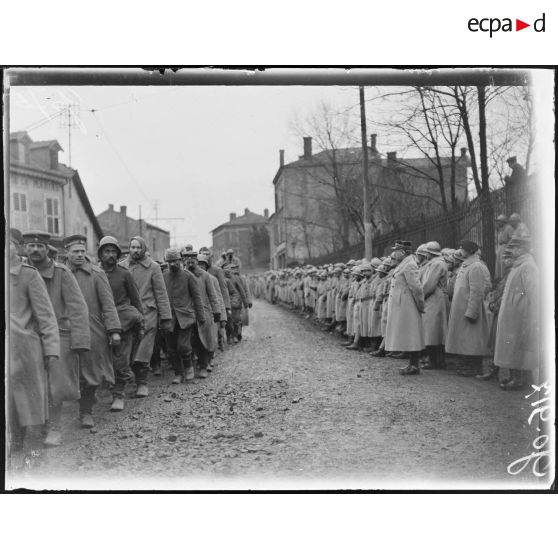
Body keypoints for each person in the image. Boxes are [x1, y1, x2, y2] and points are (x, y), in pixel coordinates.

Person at [23, 231, 90, 447]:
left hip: (60, 334)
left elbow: (78, 308)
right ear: (25, 249)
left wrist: (79, 341)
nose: (35, 250)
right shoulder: (22, 272)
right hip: (29, 334)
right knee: (32, 382)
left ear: (47, 249)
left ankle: (54, 427)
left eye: (39, 246)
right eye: (31, 246)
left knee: (56, 384)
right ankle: (36, 425)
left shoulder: (61, 273)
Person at [8, 229, 60, 456]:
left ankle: (18, 442)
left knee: (19, 398)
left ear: (16, 247)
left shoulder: (28, 275)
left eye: (7, 244)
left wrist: (50, 350)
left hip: (23, 348)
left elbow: (46, 316)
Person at [64, 234, 121, 428]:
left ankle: (86, 411)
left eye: (82, 251)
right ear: (67, 253)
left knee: (92, 372)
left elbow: (108, 305)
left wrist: (114, 330)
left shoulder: (97, 274)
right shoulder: (61, 273)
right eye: (75, 252)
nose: (80, 255)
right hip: (65, 330)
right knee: (67, 372)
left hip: (93, 330)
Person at [120, 236, 172, 397]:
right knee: (128, 348)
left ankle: (142, 383)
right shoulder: (121, 266)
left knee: (143, 349)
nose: (135, 250)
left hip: (148, 313)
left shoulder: (153, 267)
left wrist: (165, 317)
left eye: (138, 247)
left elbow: (161, 293)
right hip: (127, 315)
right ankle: (128, 380)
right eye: (132, 247)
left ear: (143, 249)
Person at [98, 236, 145, 411]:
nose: (110, 255)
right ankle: (104, 389)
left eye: (113, 252)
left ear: (118, 254)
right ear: (100, 254)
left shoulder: (125, 274)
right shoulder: (95, 273)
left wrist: (141, 323)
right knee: (104, 360)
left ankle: (119, 395)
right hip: (101, 322)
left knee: (121, 361)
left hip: (124, 322)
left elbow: (136, 300)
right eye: (106, 252)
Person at [494, 235, 539, 390]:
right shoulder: (518, 265)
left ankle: (520, 380)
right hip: (512, 314)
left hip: (520, 315)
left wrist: (527, 311)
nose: (511, 250)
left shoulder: (528, 266)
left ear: (522, 249)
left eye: (514, 248)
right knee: (511, 347)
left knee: (517, 347)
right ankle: (515, 377)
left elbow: (532, 292)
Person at [445, 240, 492, 377]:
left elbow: (477, 291)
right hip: (461, 308)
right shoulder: (467, 265)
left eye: (463, 248)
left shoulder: (475, 266)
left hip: (469, 308)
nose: (460, 250)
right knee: (466, 339)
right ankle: (468, 366)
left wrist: (472, 311)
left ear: (470, 251)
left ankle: (475, 368)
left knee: (473, 341)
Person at [162, 248, 205, 383]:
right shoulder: (163, 277)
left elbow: (197, 298)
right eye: (170, 262)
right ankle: (178, 374)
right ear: (167, 262)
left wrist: (201, 316)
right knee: (171, 348)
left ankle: (188, 368)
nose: (173, 264)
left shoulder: (188, 276)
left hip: (185, 317)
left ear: (180, 261)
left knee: (183, 346)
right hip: (169, 318)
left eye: (175, 261)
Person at [384, 245, 425, 375]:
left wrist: (420, 305)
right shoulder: (404, 263)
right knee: (408, 335)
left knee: (412, 335)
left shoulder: (410, 264)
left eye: (396, 251)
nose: (394, 254)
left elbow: (416, 288)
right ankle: (412, 364)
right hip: (403, 305)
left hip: (408, 305)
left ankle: (414, 366)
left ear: (403, 252)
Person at [182, 249, 221, 378]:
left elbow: (212, 295)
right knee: (187, 342)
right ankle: (190, 366)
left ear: (197, 260)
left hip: (203, 313)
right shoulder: (181, 275)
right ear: (184, 260)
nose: (190, 260)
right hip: (186, 313)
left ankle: (203, 366)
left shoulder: (204, 276)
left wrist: (216, 311)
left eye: (193, 257)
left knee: (202, 341)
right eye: (187, 258)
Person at [420, 241, 448, 370]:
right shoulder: (436, 263)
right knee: (433, 330)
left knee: (433, 331)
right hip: (434, 298)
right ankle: (436, 359)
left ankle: (435, 361)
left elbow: (429, 284)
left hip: (434, 298)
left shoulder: (437, 264)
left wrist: (421, 296)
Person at [198, 253, 227, 369]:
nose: (200, 267)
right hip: (198, 313)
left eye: (203, 265)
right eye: (198, 264)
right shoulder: (192, 278)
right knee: (199, 340)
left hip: (211, 313)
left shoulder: (213, 279)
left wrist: (222, 316)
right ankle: (202, 362)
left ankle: (209, 360)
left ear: (207, 266)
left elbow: (219, 298)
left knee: (212, 338)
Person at [199, 247, 231, 351]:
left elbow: (223, 289)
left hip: (216, 301)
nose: (206, 256)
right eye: (203, 254)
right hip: (204, 303)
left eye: (207, 254)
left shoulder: (217, 270)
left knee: (218, 329)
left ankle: (220, 340)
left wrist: (226, 308)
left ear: (211, 257)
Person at [223, 263, 249, 343]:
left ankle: (234, 336)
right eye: (226, 269)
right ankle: (228, 336)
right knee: (227, 321)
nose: (227, 271)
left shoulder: (236, 278)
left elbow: (241, 290)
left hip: (236, 302)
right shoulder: (222, 279)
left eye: (229, 269)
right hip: (226, 303)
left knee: (236, 320)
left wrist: (245, 302)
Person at [494, 215, 514, 280]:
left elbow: (512, 239)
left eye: (499, 221)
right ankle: (500, 279)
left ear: (503, 222)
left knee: (504, 265)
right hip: (501, 248)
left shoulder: (509, 228)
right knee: (499, 265)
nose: (498, 223)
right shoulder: (501, 229)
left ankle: (504, 279)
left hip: (505, 248)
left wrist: (508, 248)